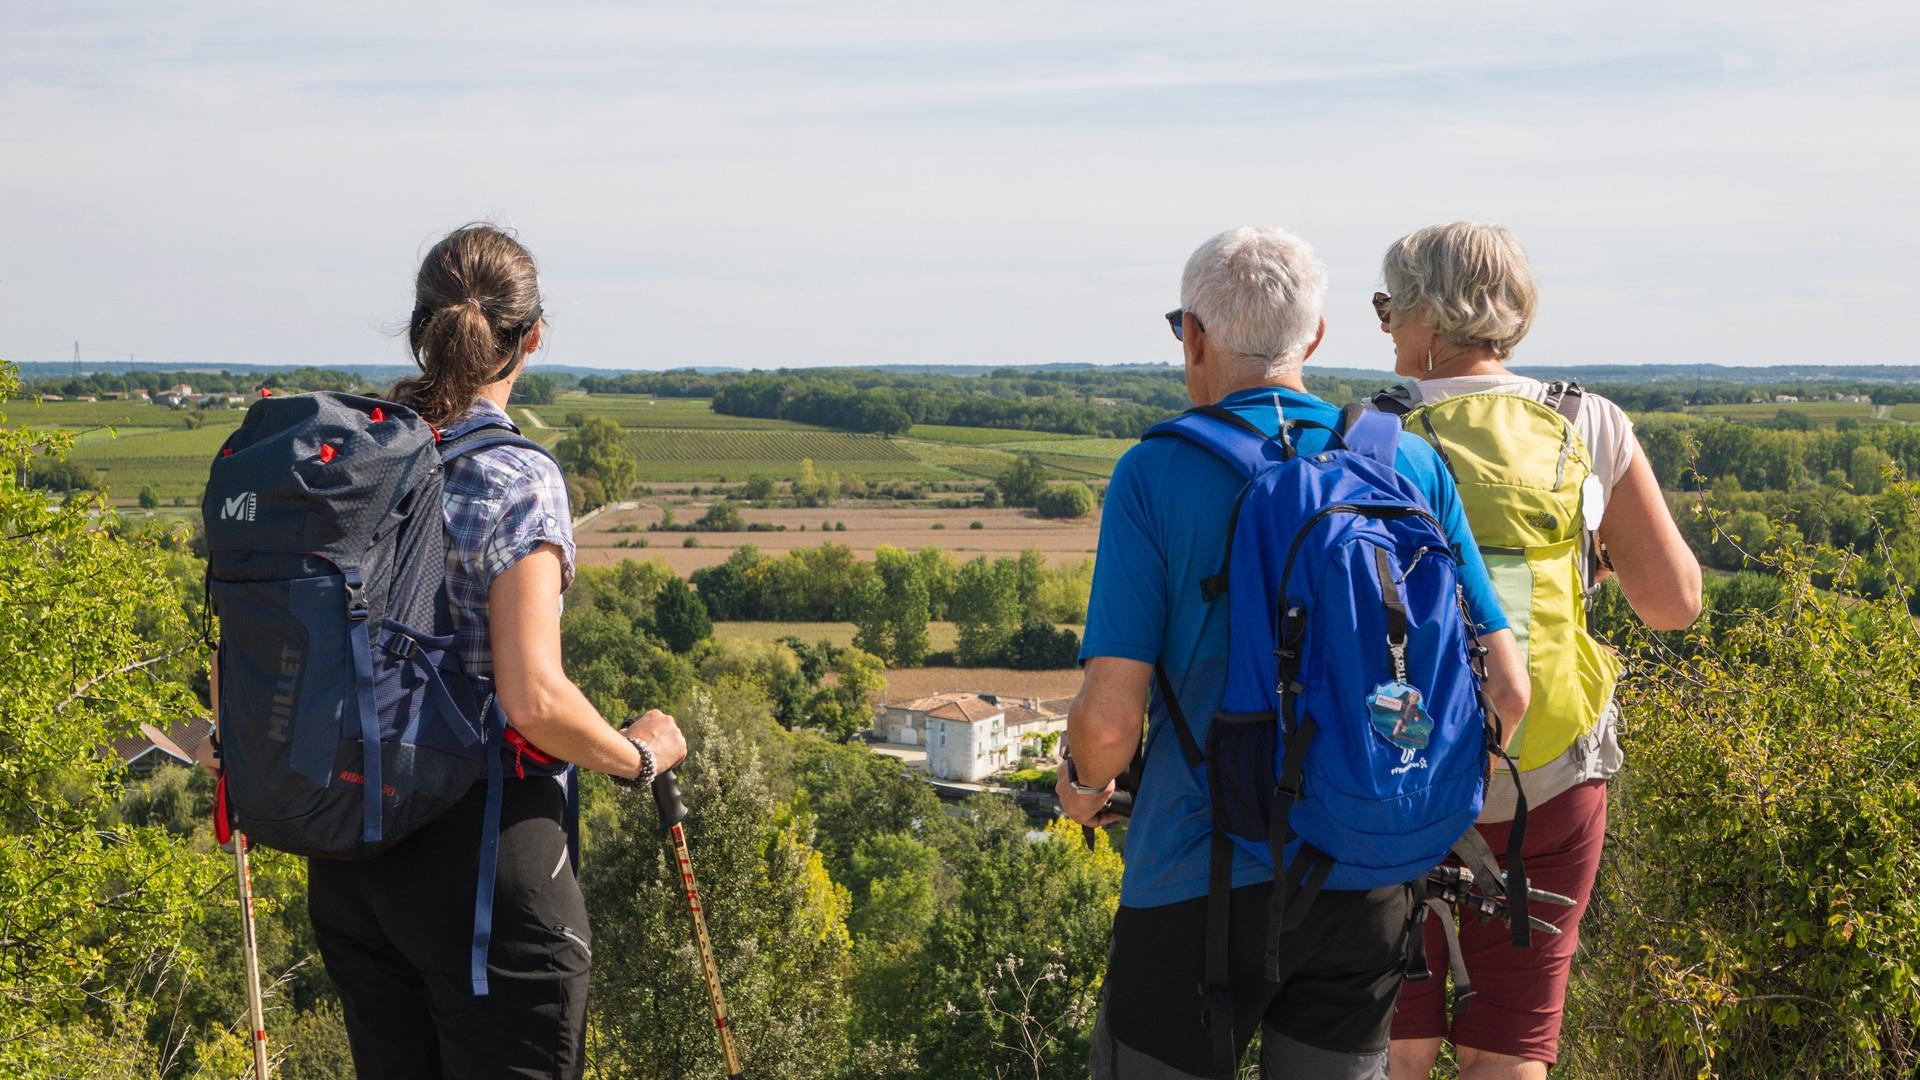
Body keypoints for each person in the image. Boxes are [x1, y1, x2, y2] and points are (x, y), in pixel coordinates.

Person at [1060, 225, 1530, 1079]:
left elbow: (1109, 718)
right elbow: (1507, 689)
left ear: (1193, 336)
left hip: (1193, 874)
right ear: (1313, 339)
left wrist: (1085, 789)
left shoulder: (1155, 474)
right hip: (1368, 874)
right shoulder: (1410, 468)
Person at [300, 224, 688, 1078]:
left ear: (418, 327)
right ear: (533, 337)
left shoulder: (350, 460)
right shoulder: (515, 478)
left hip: (352, 856)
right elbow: (535, 699)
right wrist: (638, 756)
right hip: (482, 866)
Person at [1375, 222, 1701, 1080]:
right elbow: (1675, 604)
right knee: (1513, 1048)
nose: (1387, 332)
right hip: (1551, 777)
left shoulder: (1370, 432)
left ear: (1428, 321)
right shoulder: (1585, 420)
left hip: (1400, 772)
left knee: (1389, 1048)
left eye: (1387, 308)